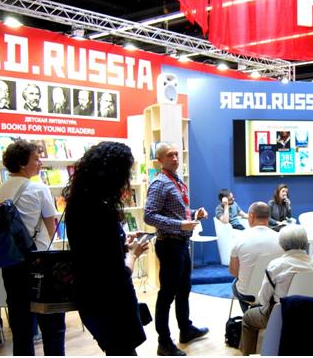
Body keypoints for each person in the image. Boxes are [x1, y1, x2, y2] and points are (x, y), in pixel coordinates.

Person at [65, 142, 148, 355]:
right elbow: (117, 275)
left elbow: (93, 250)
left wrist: (121, 240)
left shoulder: (77, 204)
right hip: (111, 305)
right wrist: (134, 254)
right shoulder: (102, 212)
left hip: (89, 298)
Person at [0, 140, 65, 355]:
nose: (40, 162)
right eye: (36, 158)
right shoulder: (38, 187)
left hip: (11, 261)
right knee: (52, 324)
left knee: (21, 325)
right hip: (39, 261)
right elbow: (51, 226)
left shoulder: (2, 188)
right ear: (22, 163)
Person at [144, 142, 209, 356]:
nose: (175, 158)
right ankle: (163, 342)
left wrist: (194, 213)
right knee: (167, 295)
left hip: (180, 243)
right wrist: (180, 225)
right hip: (169, 244)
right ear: (159, 160)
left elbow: (176, 211)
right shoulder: (160, 183)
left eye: (176, 154)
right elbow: (149, 216)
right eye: (169, 155)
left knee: (184, 289)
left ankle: (185, 329)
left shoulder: (177, 180)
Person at [238, 224, 313, 355]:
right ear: (305, 242)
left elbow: (263, 299)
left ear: (282, 244)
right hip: (312, 314)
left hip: (282, 315)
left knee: (248, 318)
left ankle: (248, 354)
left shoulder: (276, 265)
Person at [229, 201, 282, 312]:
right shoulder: (281, 239)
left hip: (249, 294)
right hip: (275, 292)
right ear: (268, 217)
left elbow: (234, 271)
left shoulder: (239, 238)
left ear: (251, 216)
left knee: (235, 283)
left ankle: (249, 315)